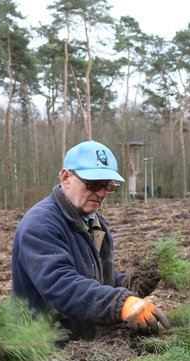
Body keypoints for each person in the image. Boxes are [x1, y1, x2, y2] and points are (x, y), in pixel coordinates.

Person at [11, 140, 170, 342]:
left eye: (108, 185)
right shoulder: (40, 225)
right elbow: (62, 286)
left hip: (79, 347)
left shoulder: (93, 222)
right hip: (41, 350)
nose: (102, 193)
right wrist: (121, 304)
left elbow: (98, 281)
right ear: (66, 177)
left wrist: (134, 283)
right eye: (93, 184)